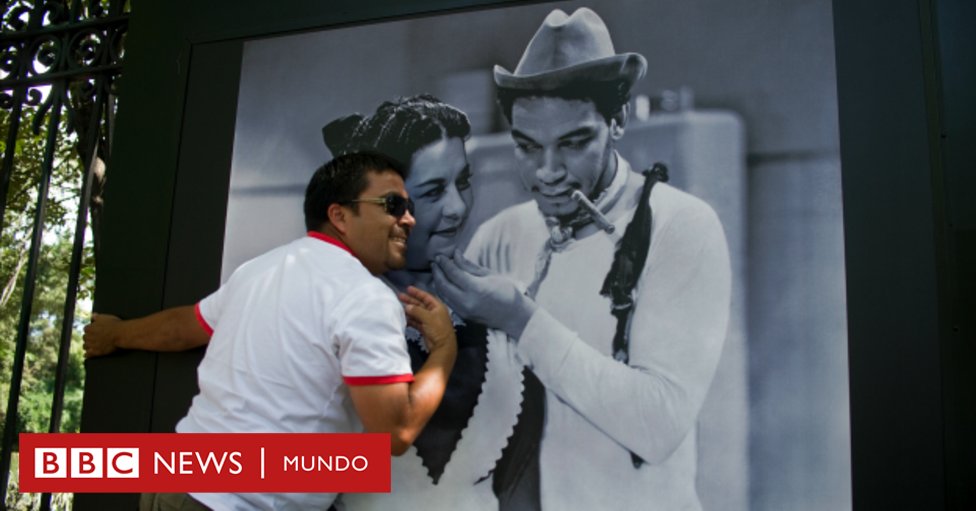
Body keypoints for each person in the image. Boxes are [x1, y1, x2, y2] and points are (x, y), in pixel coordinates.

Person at [85, 97, 520, 511]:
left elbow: (186, 327)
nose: (407, 218)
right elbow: (395, 431)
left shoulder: (262, 269)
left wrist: (116, 334)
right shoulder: (362, 296)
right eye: (393, 206)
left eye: (408, 205)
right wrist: (444, 347)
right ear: (339, 215)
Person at [431, 8, 732, 510]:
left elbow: (657, 427)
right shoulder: (501, 235)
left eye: (573, 144)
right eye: (527, 147)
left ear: (616, 121)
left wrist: (520, 318)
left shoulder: (682, 228)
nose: (547, 172)